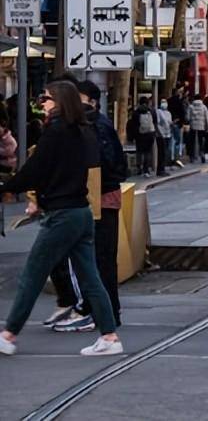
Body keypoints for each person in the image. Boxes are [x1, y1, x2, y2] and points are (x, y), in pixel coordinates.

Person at [0, 81, 123, 356]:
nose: (41, 103)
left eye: (45, 98)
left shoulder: (56, 132)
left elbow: (36, 170)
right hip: (82, 211)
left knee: (32, 273)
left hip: (63, 213)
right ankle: (109, 336)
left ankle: (8, 334)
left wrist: (7, 186)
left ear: (59, 102)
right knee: (91, 278)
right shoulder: (85, 132)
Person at [46, 79, 131, 334]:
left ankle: (92, 310)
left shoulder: (93, 125)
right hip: (100, 197)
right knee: (98, 258)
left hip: (97, 199)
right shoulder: (95, 124)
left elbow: (103, 164)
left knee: (93, 258)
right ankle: (102, 311)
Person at [129, 96, 157, 177]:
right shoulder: (151, 111)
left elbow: (133, 125)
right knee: (147, 152)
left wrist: (133, 136)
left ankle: (139, 168)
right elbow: (155, 122)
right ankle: (146, 169)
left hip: (139, 135)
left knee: (139, 152)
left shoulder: (136, 112)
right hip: (150, 134)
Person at [187, 93, 208, 163]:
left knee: (192, 142)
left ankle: (192, 157)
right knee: (201, 142)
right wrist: (207, 127)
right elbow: (207, 118)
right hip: (202, 127)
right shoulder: (204, 107)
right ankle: (202, 154)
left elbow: (187, 117)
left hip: (193, 126)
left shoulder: (190, 107)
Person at [154, 100, 173, 176]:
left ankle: (163, 169)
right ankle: (160, 170)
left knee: (165, 153)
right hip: (161, 135)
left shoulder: (168, 113)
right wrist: (160, 133)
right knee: (161, 152)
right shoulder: (158, 112)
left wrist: (172, 124)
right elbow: (157, 124)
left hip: (168, 134)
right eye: (162, 102)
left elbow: (169, 122)